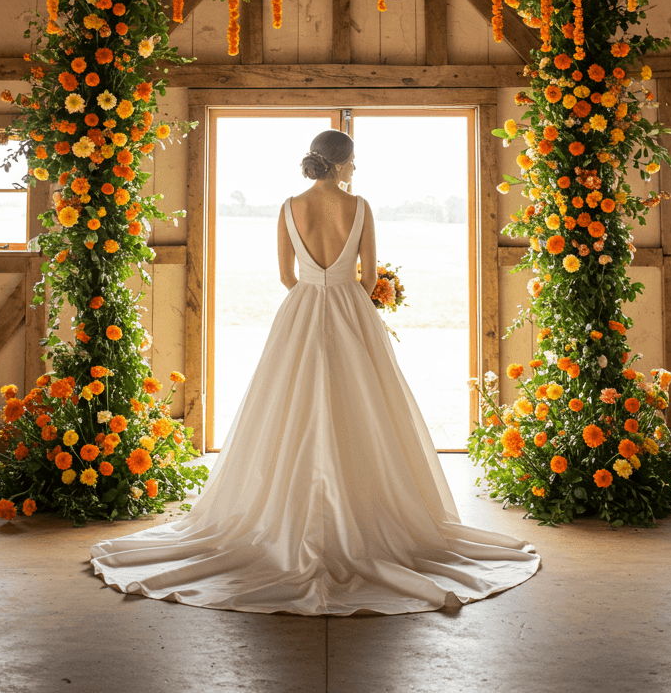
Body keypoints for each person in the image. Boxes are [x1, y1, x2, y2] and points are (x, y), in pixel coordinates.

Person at [89, 129, 540, 614]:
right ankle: (366, 514)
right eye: (354, 162)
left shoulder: (287, 207)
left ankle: (282, 517)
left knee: (287, 409)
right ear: (342, 164)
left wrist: (316, 285)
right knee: (365, 408)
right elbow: (368, 276)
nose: (355, 170)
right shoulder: (360, 207)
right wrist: (346, 294)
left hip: (301, 311)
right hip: (351, 309)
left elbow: (287, 277)